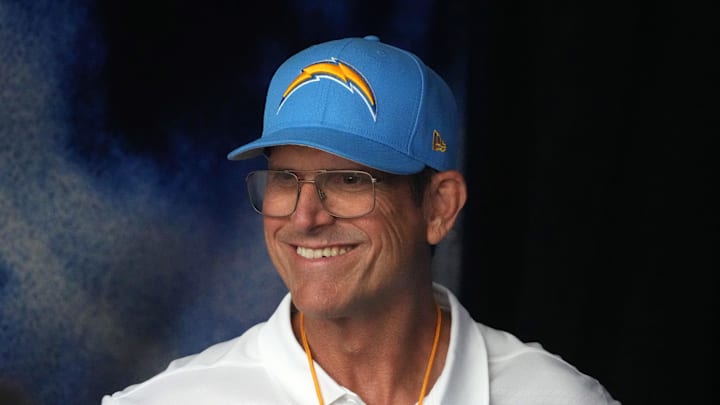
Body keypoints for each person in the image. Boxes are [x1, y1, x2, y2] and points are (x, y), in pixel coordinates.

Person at [102, 35, 620, 405]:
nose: (305, 217)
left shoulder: (556, 397)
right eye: (285, 178)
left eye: (350, 181)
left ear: (439, 207)